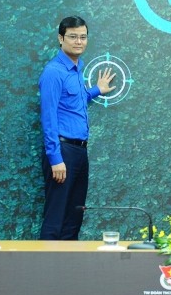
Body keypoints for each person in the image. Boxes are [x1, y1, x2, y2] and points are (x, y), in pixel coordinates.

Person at [39, 16, 115, 240]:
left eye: (83, 37)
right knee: (56, 217)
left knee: (74, 218)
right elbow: (49, 117)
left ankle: (68, 262)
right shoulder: (53, 72)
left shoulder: (76, 68)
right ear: (60, 38)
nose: (79, 42)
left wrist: (96, 90)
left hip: (79, 152)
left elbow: (73, 103)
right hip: (63, 152)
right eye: (73, 37)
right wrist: (55, 159)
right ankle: (46, 262)